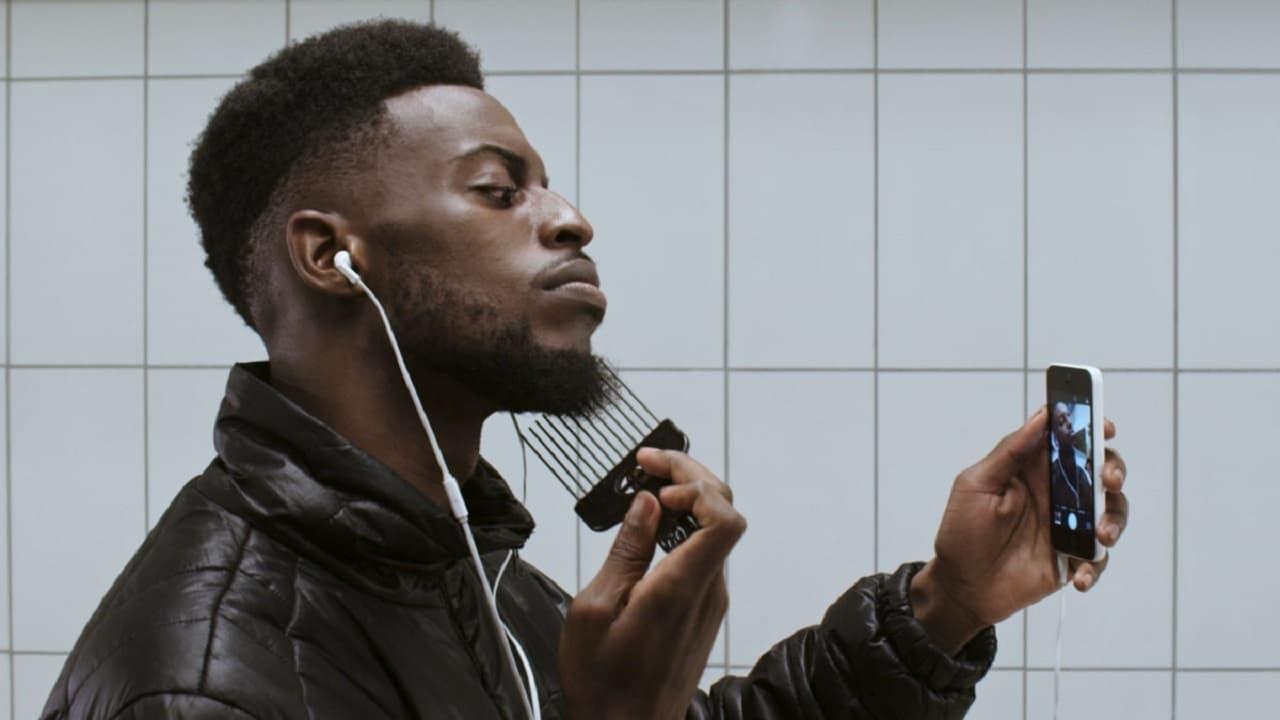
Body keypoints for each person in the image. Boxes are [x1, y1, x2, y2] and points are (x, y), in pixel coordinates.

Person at [40, 21, 1130, 719]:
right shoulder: (207, 686)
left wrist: (947, 602)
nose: (569, 218)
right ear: (333, 257)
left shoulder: (457, 563)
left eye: (547, 187)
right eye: (498, 190)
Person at [1050, 401, 1094, 515]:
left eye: (1068, 416)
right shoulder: (1052, 474)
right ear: (1055, 438)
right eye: (1061, 422)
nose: (1069, 423)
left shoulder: (1081, 473)